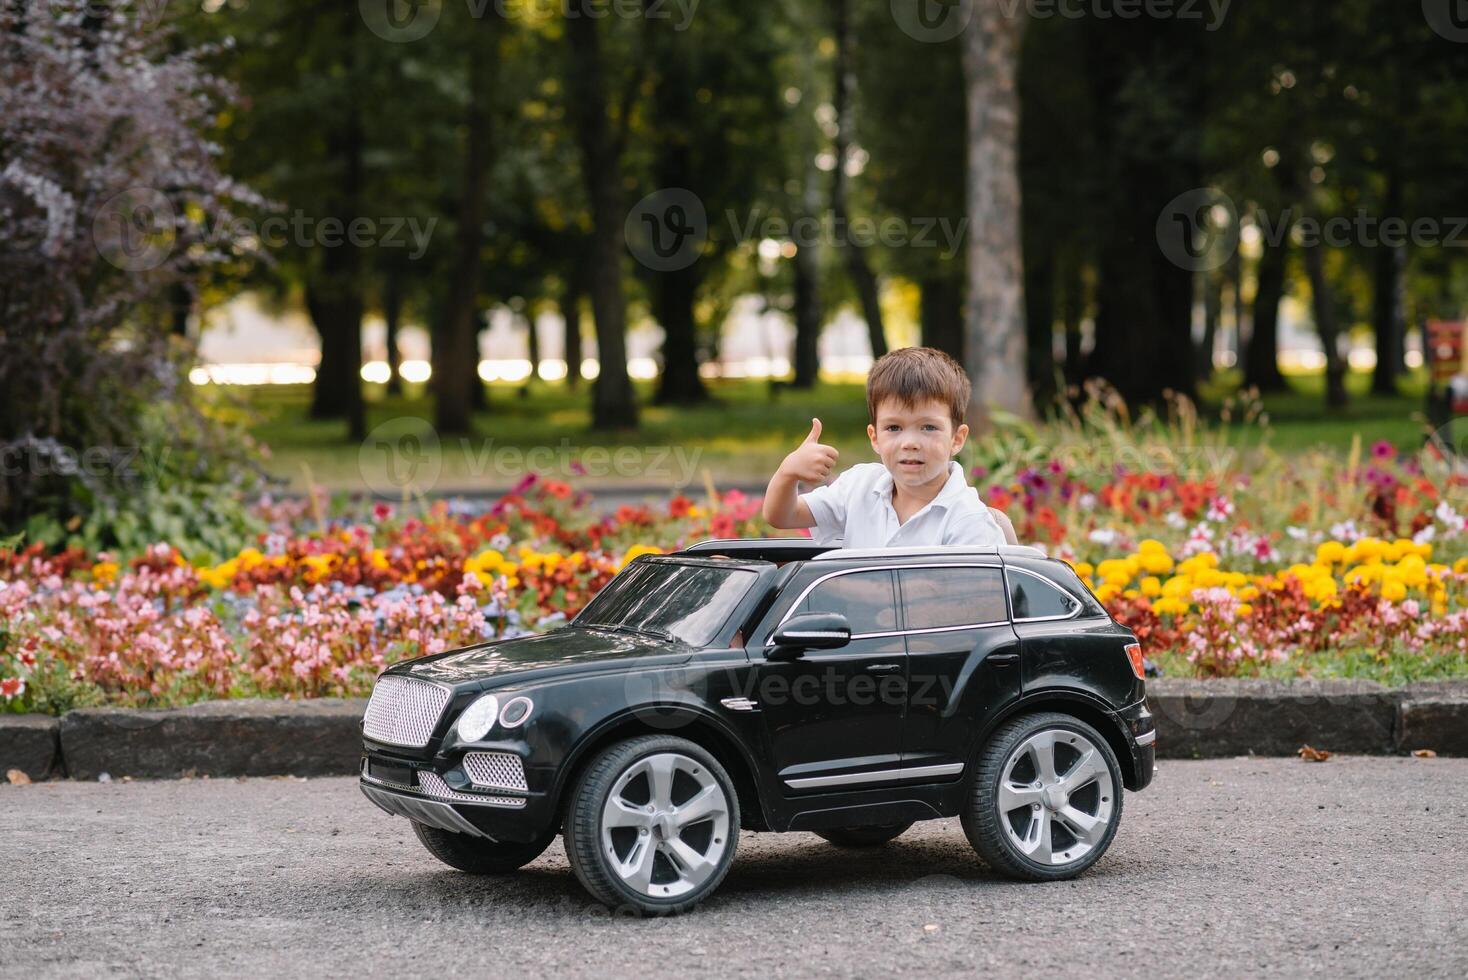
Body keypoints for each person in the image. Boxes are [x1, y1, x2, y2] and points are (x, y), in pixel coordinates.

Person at [762, 347, 1018, 548]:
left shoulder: (968, 520)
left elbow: (975, 606)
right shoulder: (859, 487)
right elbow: (782, 516)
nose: (910, 443)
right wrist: (788, 473)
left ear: (957, 439)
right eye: (894, 428)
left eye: (928, 427)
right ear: (874, 438)